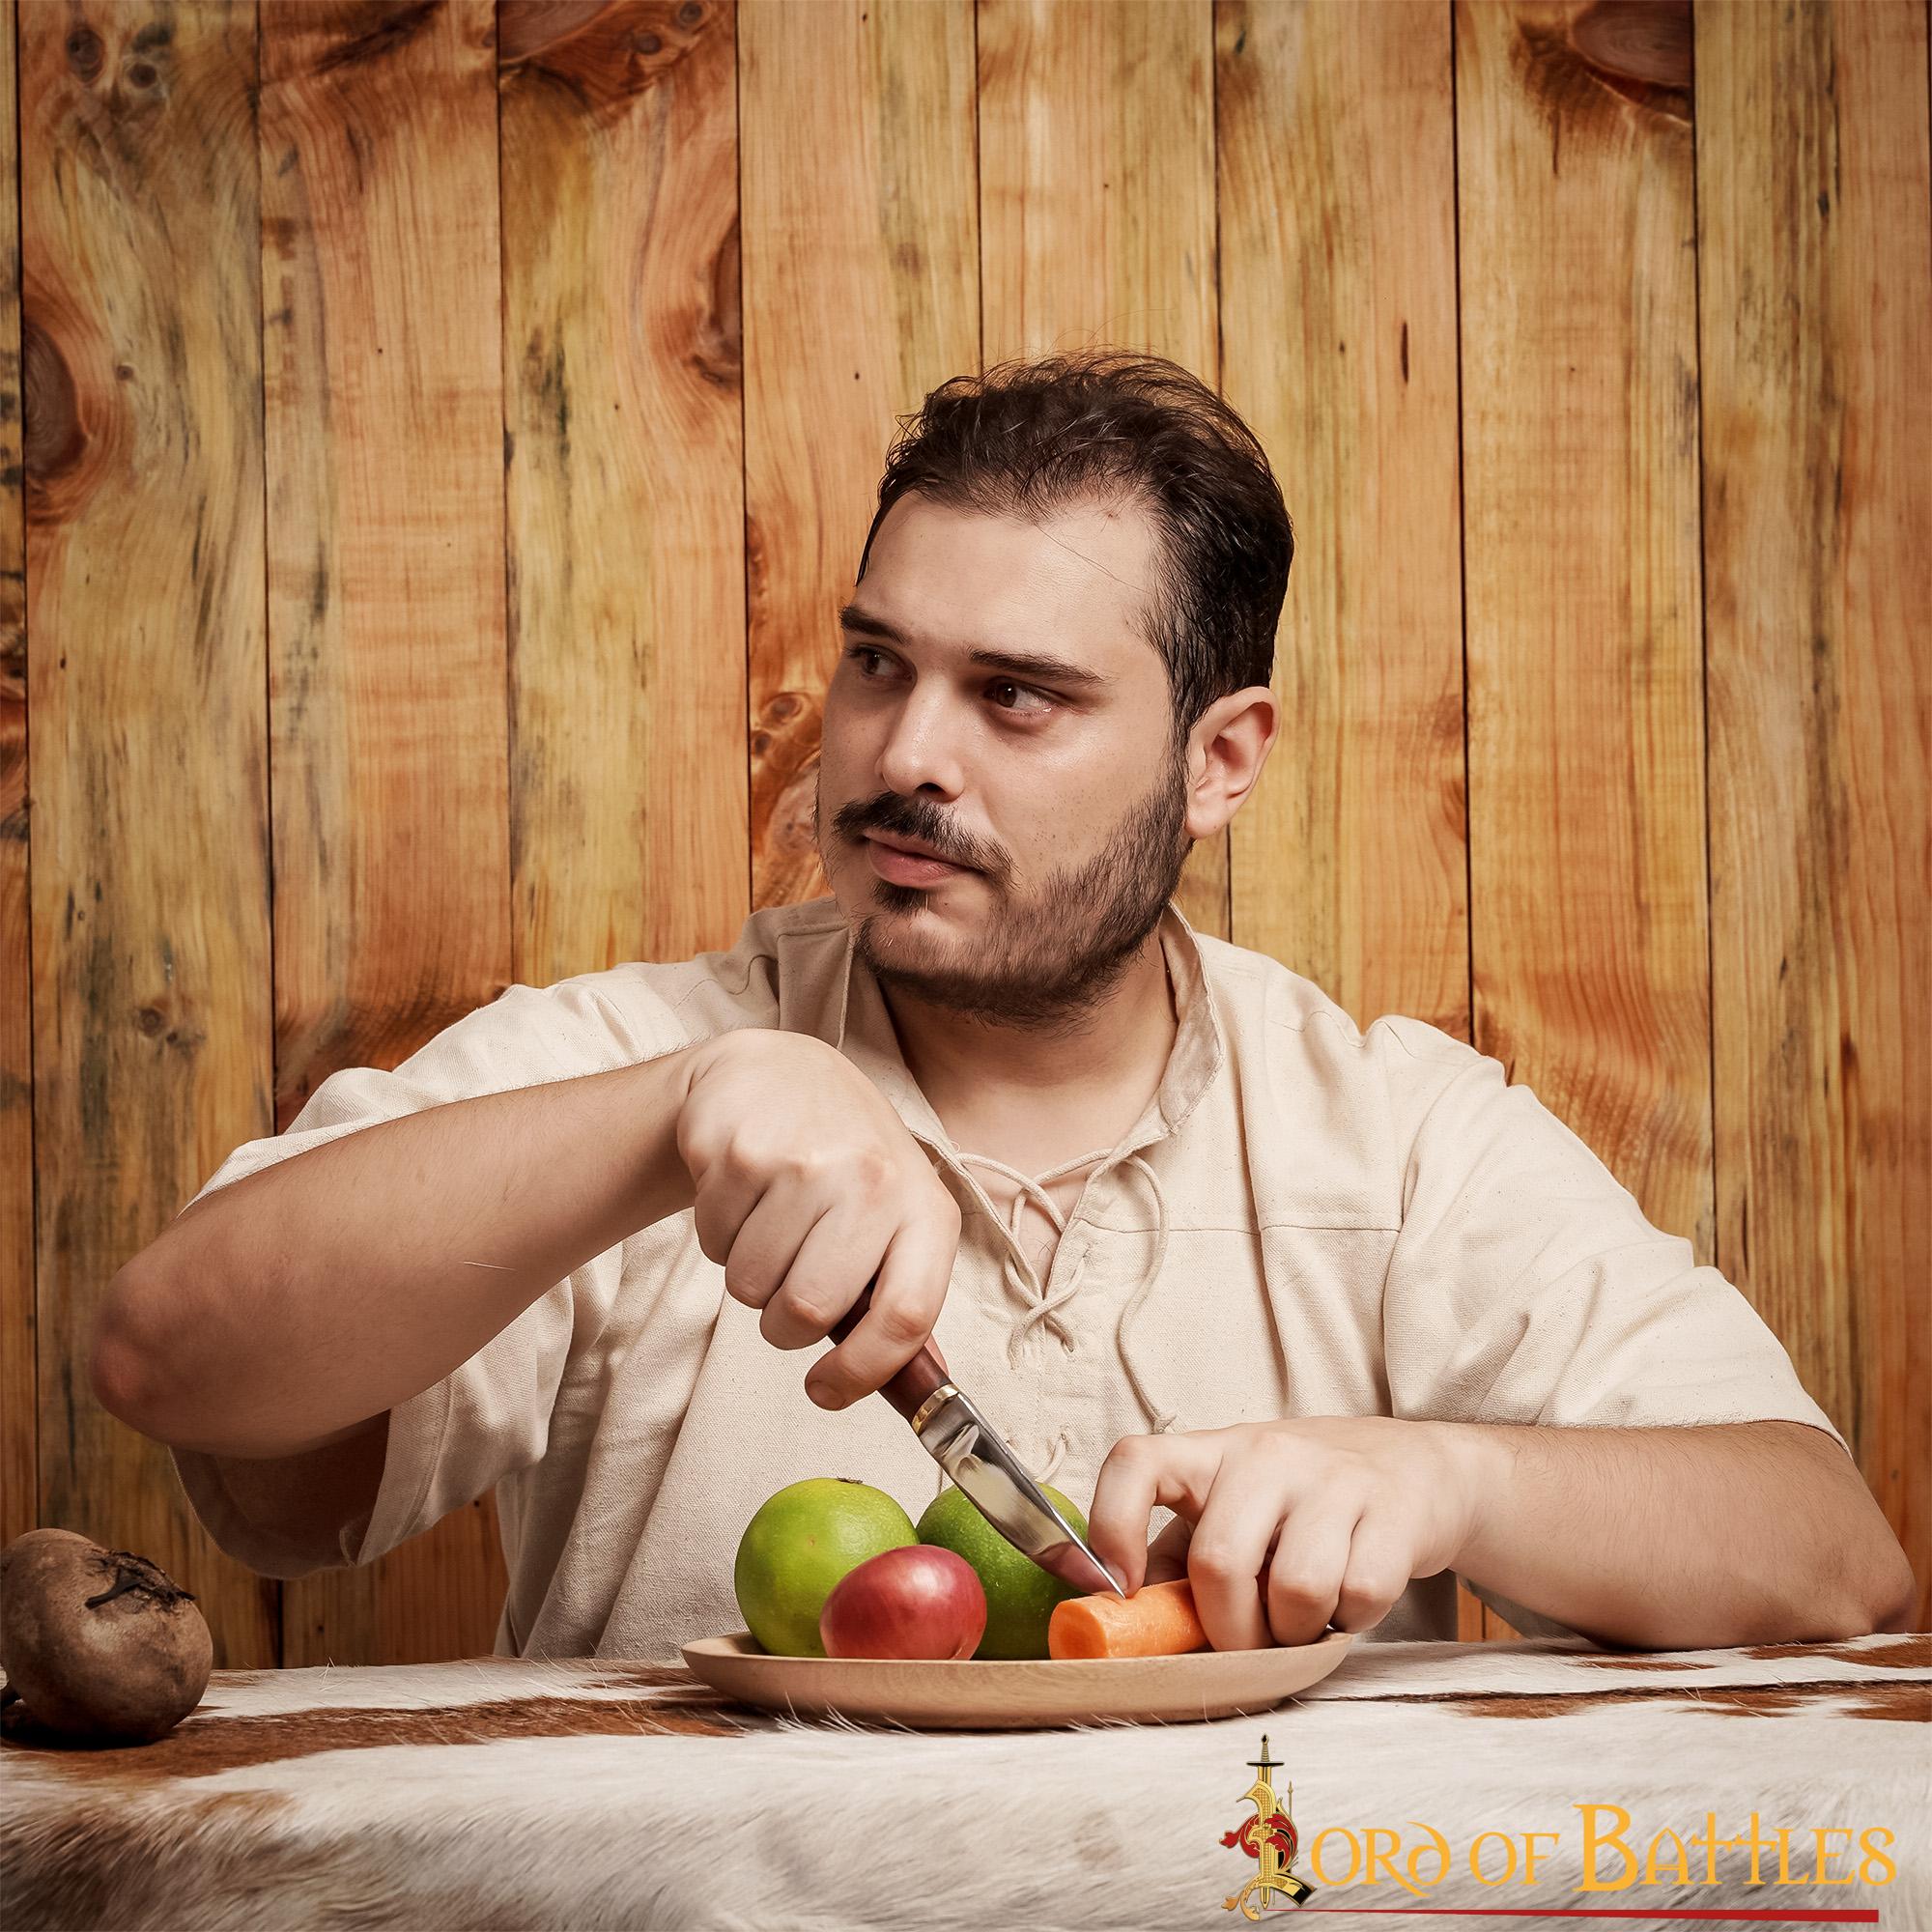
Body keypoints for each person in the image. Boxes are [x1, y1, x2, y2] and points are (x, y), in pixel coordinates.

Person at [94, 352, 1916, 1662]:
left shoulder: (1396, 1134)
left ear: (1219, 760)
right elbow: (167, 1358)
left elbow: (1835, 1558)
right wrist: (669, 1117)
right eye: (876, 663)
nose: (902, 755)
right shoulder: (635, 1065)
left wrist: (1451, 1479)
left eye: (1017, 695)